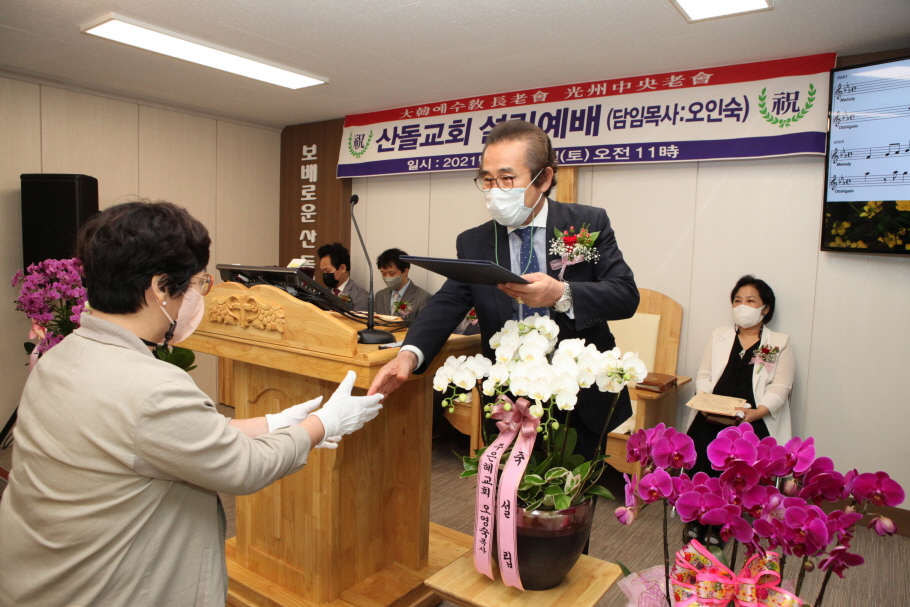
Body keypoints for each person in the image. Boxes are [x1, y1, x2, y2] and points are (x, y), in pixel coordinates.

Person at [0, 201, 384, 607]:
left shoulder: (61, 355)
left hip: (40, 578)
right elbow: (244, 467)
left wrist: (274, 422)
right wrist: (323, 424)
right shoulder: (152, 386)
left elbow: (162, 438)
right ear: (161, 287)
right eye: (196, 283)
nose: (198, 296)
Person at [368, 120, 639, 460]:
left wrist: (561, 294)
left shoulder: (586, 224)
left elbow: (625, 295)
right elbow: (448, 302)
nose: (495, 190)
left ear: (544, 178)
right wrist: (409, 354)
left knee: (574, 491)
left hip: (579, 396)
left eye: (507, 179)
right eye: (487, 179)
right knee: (505, 489)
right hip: (509, 399)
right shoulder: (475, 241)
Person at [683, 274, 795, 543]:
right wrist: (705, 400)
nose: (742, 306)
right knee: (701, 451)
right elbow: (704, 374)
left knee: (736, 466)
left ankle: (724, 523)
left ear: (765, 308)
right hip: (713, 413)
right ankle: (697, 518)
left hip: (752, 418)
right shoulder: (719, 337)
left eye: (750, 301)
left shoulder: (776, 343)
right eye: (737, 300)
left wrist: (759, 412)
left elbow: (781, 387)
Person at [374, 248, 431, 321]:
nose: (387, 277)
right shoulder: (380, 295)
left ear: (405, 271)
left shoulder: (423, 297)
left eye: (392, 274)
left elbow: (422, 325)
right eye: (383, 273)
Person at [318, 242, 369, 311]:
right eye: (322, 272)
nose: (325, 275)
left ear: (342, 268)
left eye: (327, 271)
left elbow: (358, 318)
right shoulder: (323, 293)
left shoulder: (360, 294)